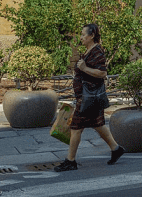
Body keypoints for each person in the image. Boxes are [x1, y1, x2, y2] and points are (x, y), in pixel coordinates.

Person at [54, 23, 125, 172]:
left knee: (76, 128)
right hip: (87, 97)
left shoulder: (97, 51)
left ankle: (70, 161)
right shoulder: (88, 51)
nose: (80, 37)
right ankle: (115, 148)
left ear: (92, 36)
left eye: (83, 35)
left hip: (89, 98)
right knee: (98, 124)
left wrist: (84, 68)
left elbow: (102, 73)